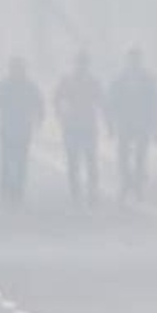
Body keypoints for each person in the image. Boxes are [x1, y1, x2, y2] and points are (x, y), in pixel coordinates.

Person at [0, 56, 45, 204]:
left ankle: (17, 190)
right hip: (8, 130)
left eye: (19, 69)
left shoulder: (27, 87)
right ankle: (7, 189)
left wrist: (40, 118)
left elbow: (39, 105)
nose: (17, 71)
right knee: (8, 161)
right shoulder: (4, 86)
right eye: (15, 68)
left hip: (22, 131)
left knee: (20, 162)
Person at [106, 46, 157, 204]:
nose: (134, 63)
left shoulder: (148, 80)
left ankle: (138, 186)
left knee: (140, 157)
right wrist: (110, 124)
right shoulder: (119, 80)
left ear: (140, 61)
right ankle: (126, 182)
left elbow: (155, 104)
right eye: (132, 59)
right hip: (124, 124)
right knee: (122, 156)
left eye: (137, 60)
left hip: (143, 123)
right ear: (127, 61)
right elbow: (111, 102)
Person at [54, 50, 104, 207]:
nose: (82, 66)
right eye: (79, 63)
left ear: (87, 65)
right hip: (71, 126)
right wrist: (60, 115)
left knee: (91, 159)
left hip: (88, 126)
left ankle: (92, 191)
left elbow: (102, 102)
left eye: (84, 63)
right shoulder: (67, 81)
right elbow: (56, 98)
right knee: (73, 160)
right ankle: (75, 189)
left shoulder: (93, 82)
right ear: (75, 64)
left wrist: (108, 122)